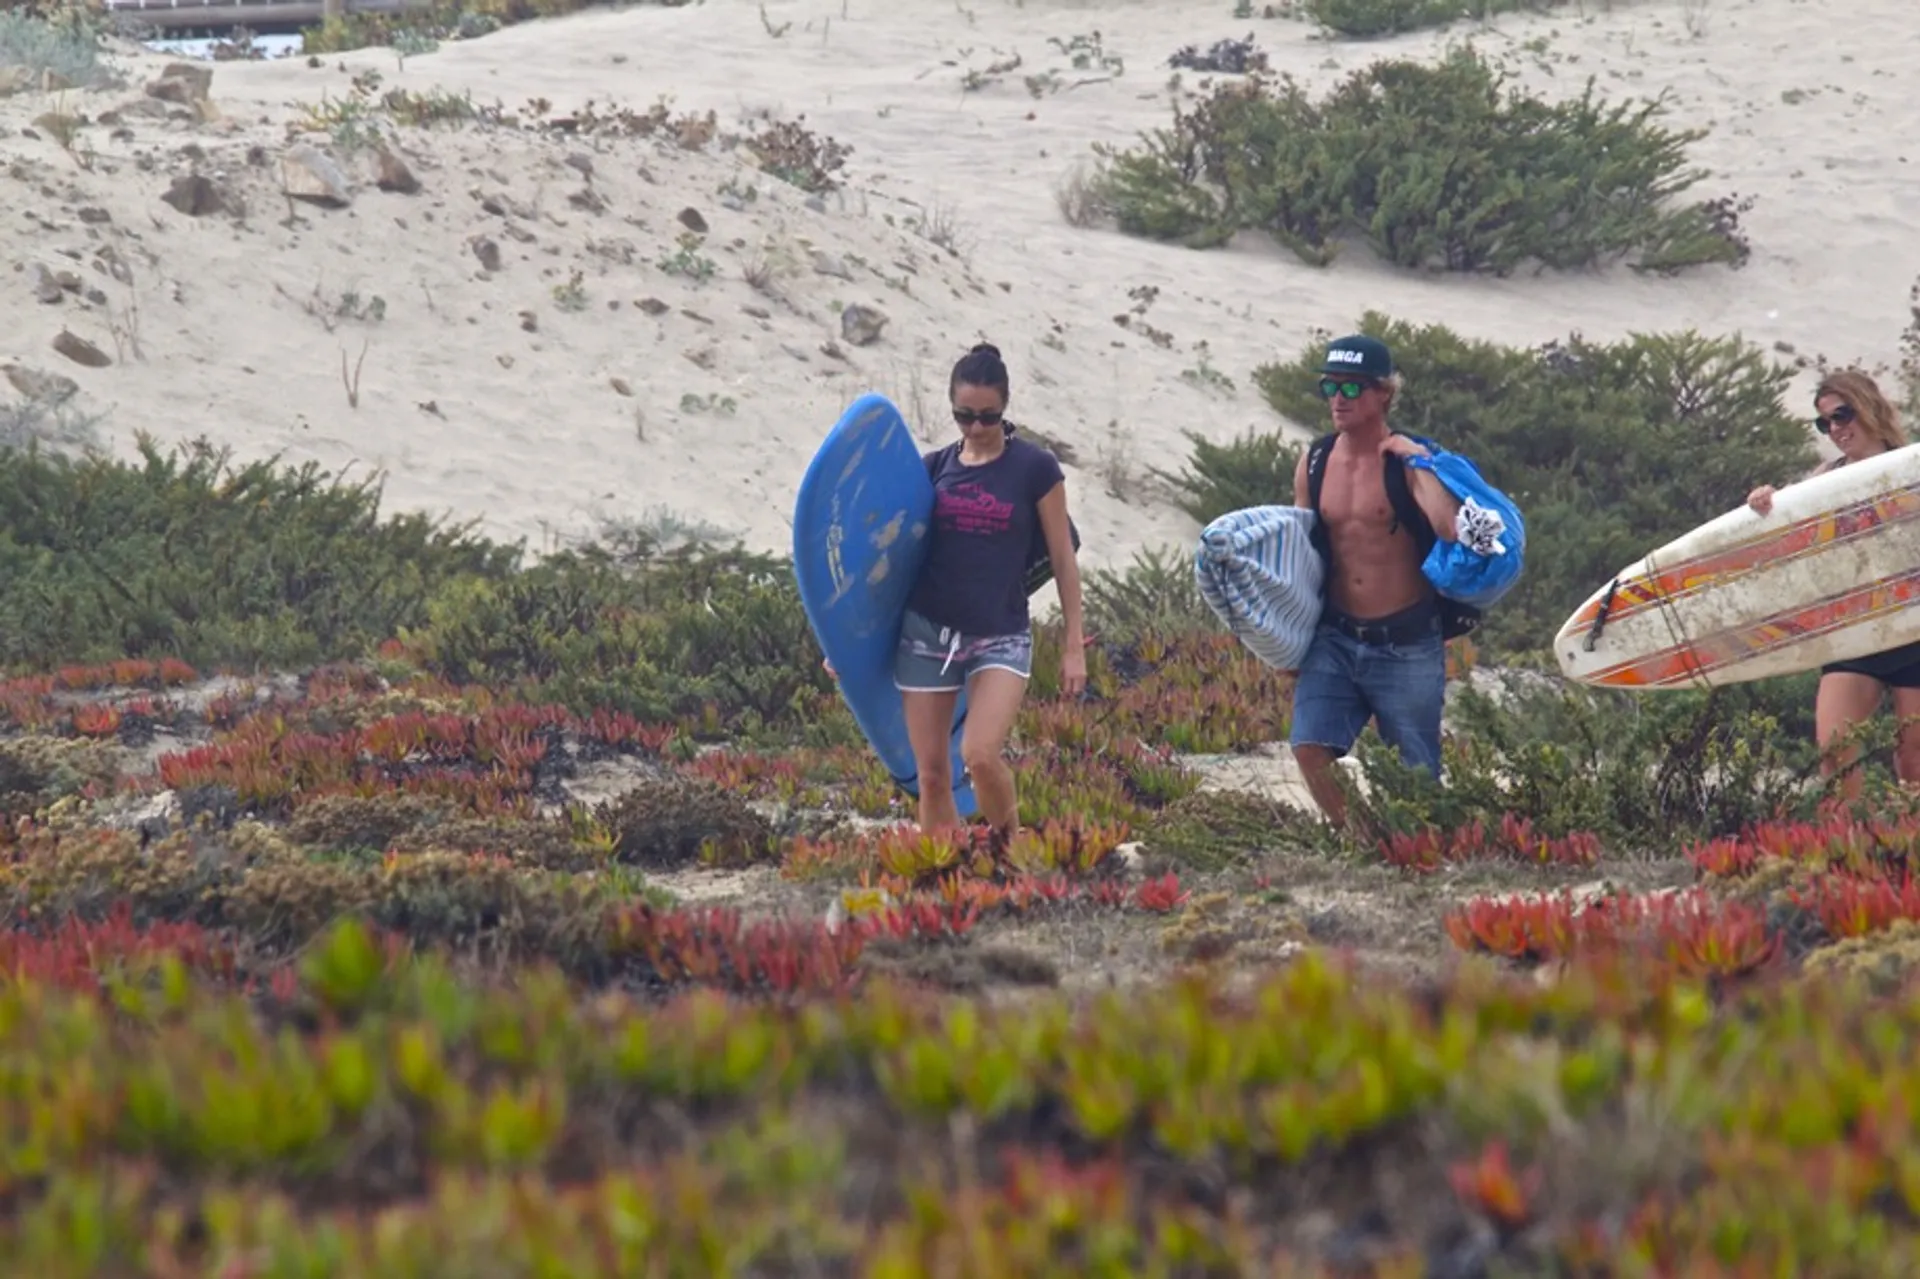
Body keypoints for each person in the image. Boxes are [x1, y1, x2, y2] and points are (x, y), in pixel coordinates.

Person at [827, 343, 1087, 842]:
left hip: (1000, 635)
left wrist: (1074, 645)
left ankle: (1009, 850)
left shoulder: (1035, 469)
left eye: (988, 416)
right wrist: (843, 643)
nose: (976, 427)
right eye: (964, 416)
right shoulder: (933, 468)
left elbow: (1062, 558)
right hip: (926, 634)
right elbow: (886, 563)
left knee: (980, 755)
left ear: (1005, 407)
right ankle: (944, 871)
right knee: (930, 776)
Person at [1287, 334, 1462, 827]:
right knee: (1309, 745)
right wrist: (1288, 641)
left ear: (1384, 393)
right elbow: (1300, 553)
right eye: (1329, 387)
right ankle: (1363, 838)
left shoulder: (1409, 461)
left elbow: (1448, 526)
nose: (1337, 399)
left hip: (1406, 642)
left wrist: (1418, 460)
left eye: (1351, 388)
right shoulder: (1315, 460)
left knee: (1416, 778)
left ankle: (1413, 849)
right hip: (1335, 637)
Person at [1747, 370, 1917, 797]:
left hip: (1914, 632)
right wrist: (1765, 503)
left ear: (1869, 406)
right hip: (1855, 634)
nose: (1836, 429)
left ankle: (1907, 839)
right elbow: (1787, 524)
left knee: (1914, 763)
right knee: (1835, 754)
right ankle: (1848, 839)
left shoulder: (1910, 467)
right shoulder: (1826, 478)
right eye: (1825, 423)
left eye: (1842, 415)